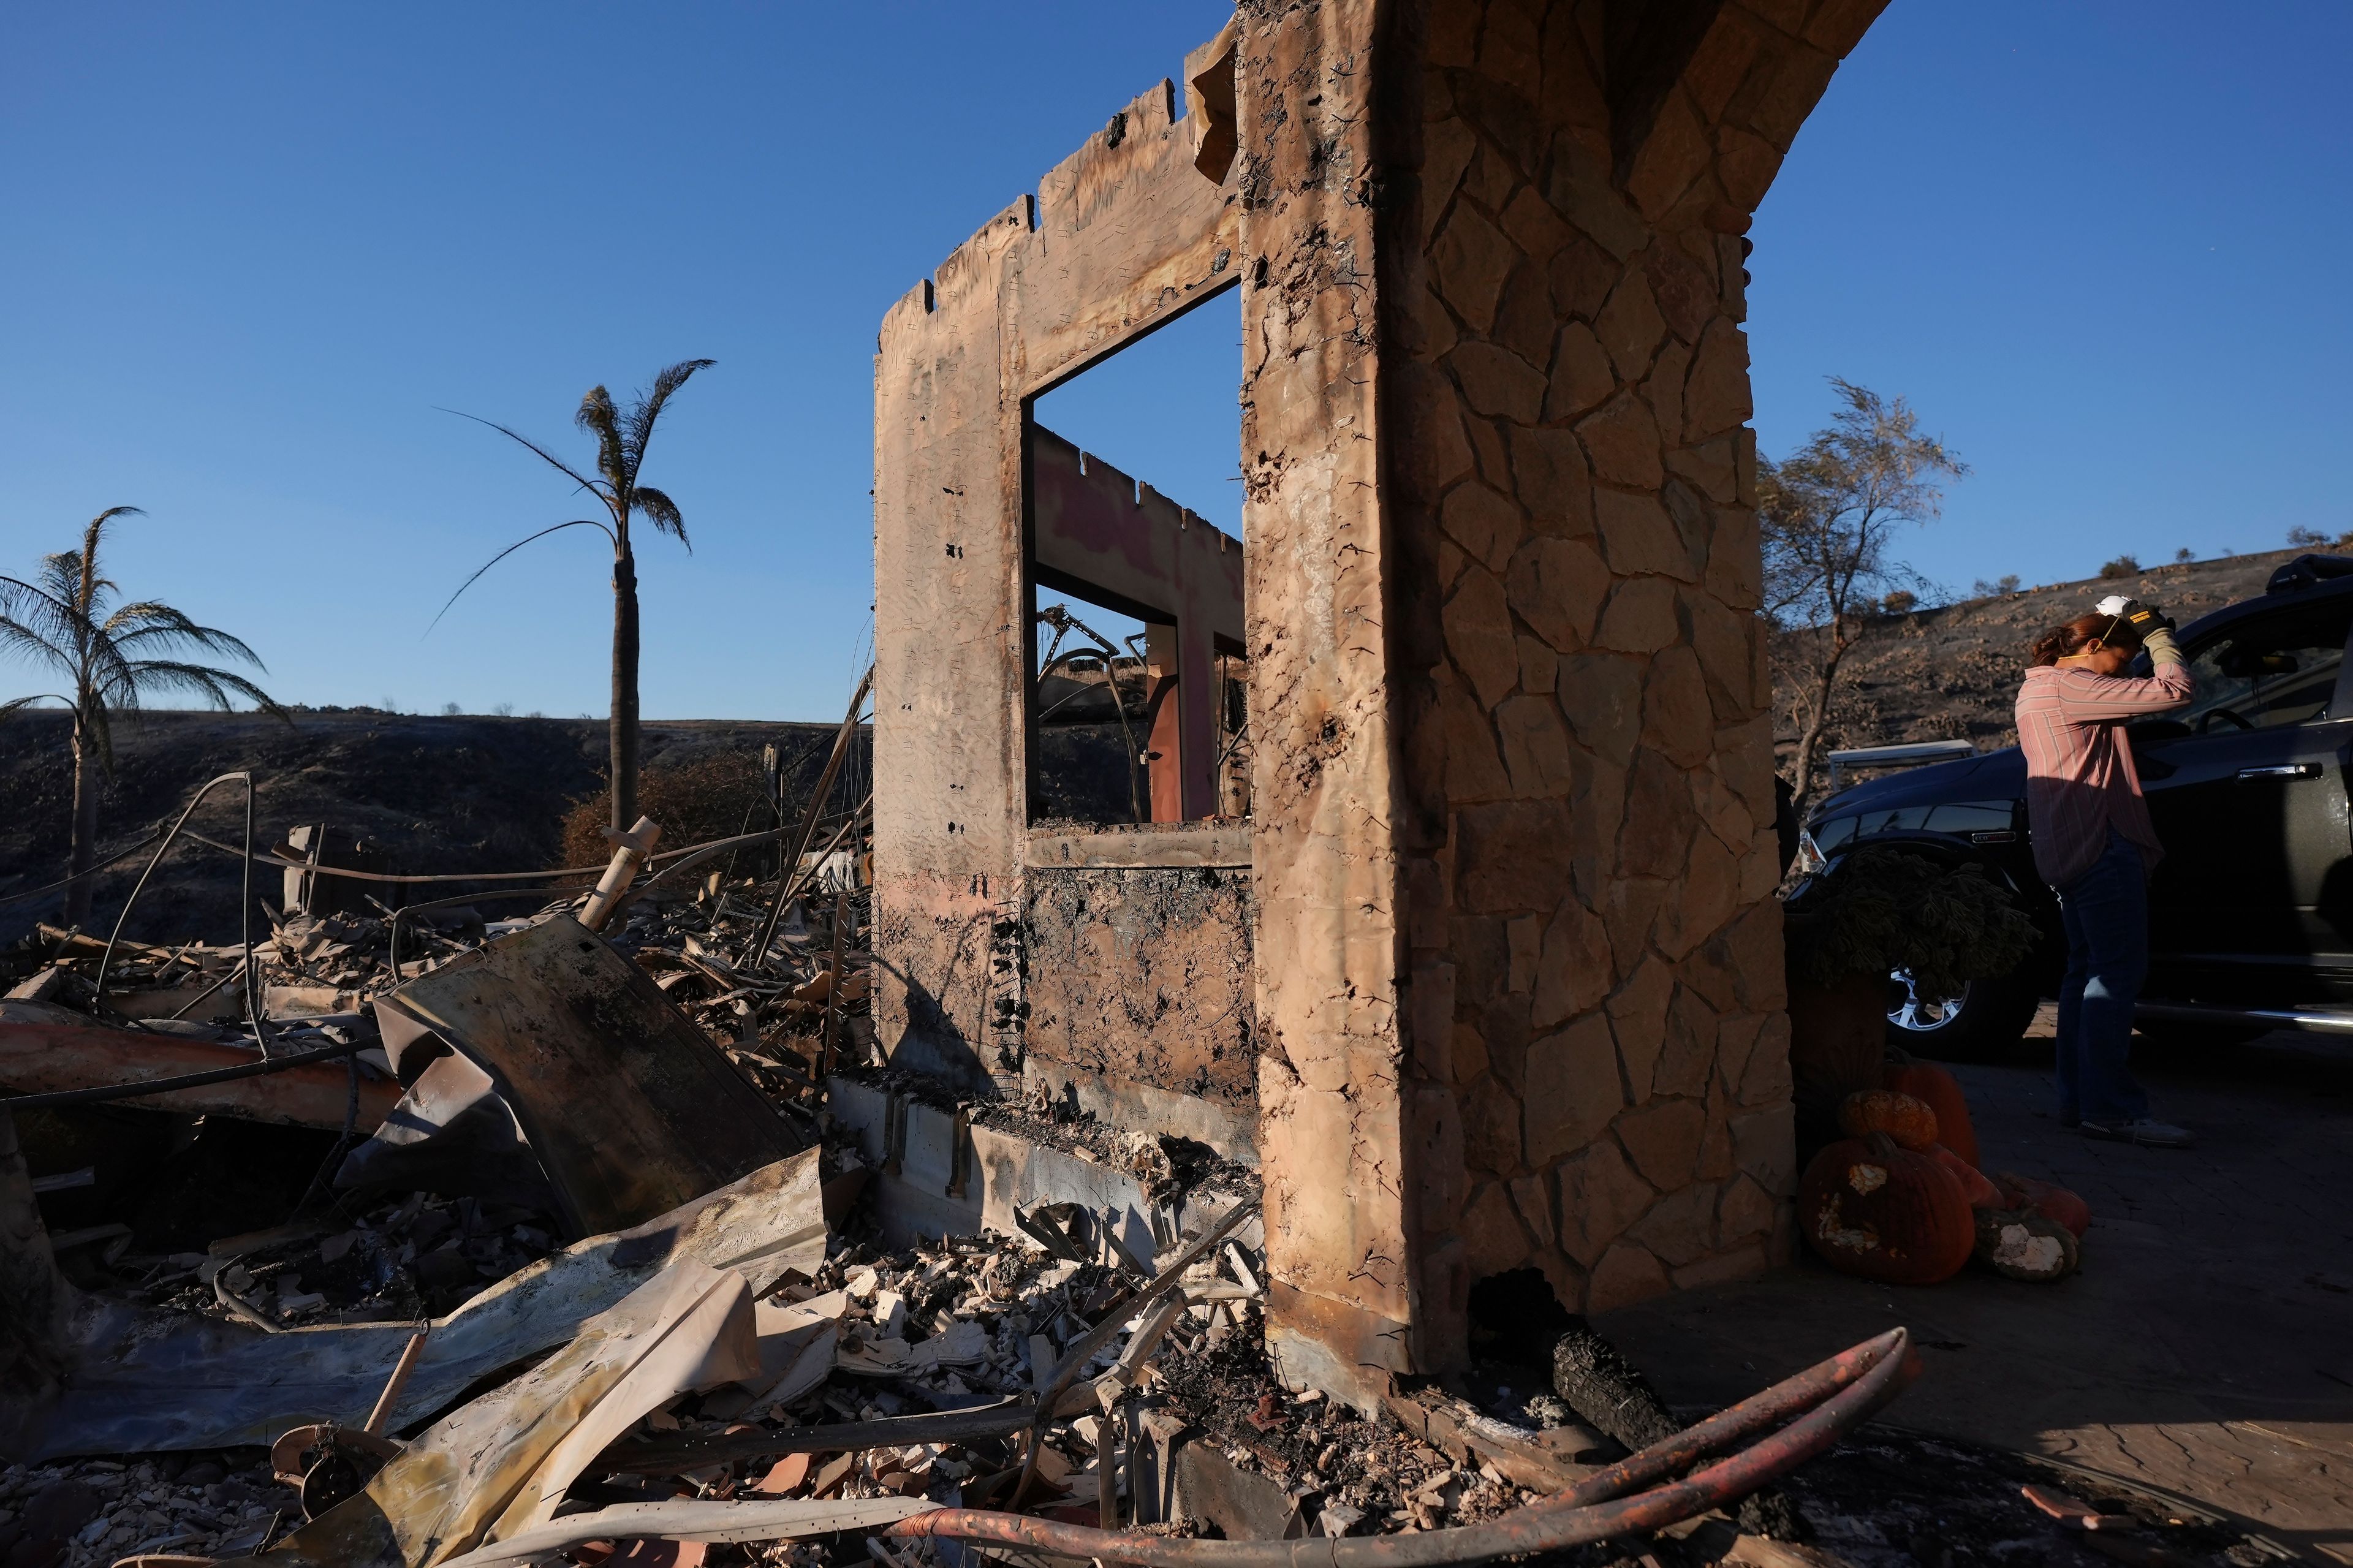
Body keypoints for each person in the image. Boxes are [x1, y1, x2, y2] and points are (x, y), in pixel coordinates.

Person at [2015, 594, 2197, 1148]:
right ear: (2093, 648)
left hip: (2064, 846)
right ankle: (2113, 1110)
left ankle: (2081, 1103)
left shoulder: (2039, 686)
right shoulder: (2075, 687)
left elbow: (2128, 688)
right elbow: (2175, 690)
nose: (2126, 668)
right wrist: (2157, 633)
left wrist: (2132, 638)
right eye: (2121, 657)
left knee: (2084, 974)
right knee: (2114, 976)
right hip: (2100, 840)